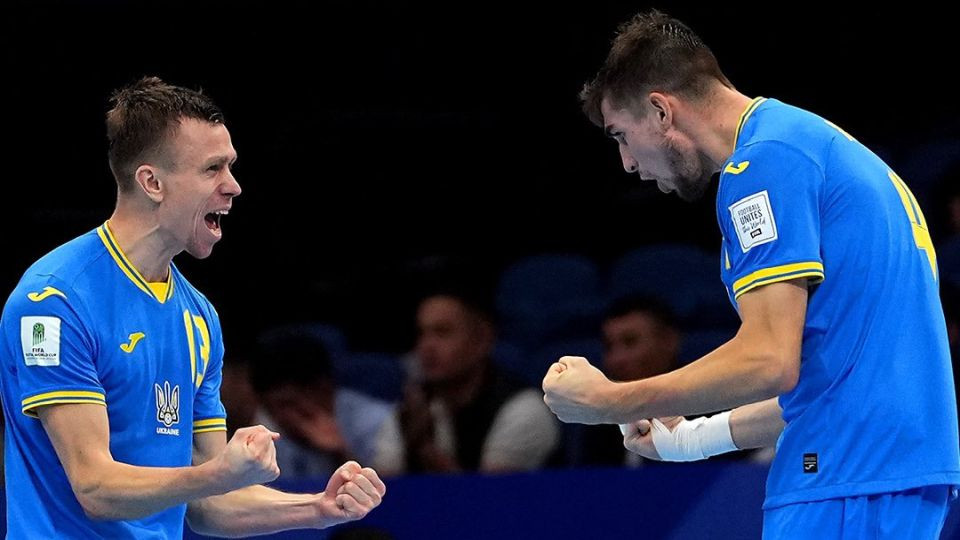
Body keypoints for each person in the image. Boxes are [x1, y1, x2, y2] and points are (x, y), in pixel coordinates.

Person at [541, 10, 960, 538]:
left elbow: (768, 360)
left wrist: (607, 401)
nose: (626, 163)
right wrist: (692, 439)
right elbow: (828, 383)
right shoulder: (810, 145)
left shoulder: (762, 165)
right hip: (874, 472)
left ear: (660, 110)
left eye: (621, 135)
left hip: (845, 478)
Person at [0, 76, 384, 538]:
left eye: (231, 166)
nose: (234, 186)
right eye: (212, 169)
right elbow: (96, 487)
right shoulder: (53, 301)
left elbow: (206, 507)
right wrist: (218, 474)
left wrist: (319, 507)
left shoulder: (198, 318)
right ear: (152, 182)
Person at [373, 289, 559, 474]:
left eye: (442, 332)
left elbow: (488, 498)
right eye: (422, 333)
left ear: (482, 339)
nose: (426, 346)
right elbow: (382, 493)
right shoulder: (409, 411)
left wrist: (425, 448)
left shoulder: (522, 408)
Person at [250, 325, 394, 478]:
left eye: (288, 404)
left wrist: (339, 452)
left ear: (323, 389)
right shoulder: (263, 427)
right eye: (271, 408)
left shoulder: (375, 420)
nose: (280, 416)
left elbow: (396, 493)